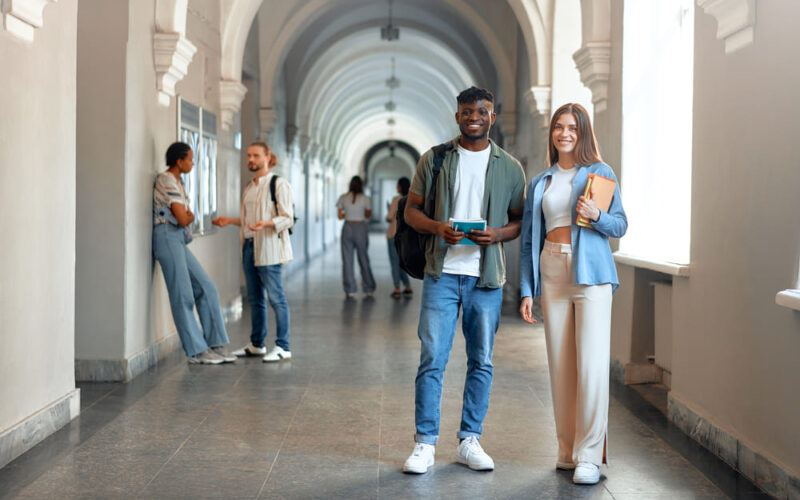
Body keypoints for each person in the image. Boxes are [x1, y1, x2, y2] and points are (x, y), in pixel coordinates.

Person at [402, 87, 526, 474]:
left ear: (493, 117)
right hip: (441, 273)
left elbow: (519, 220)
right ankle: (425, 443)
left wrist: (498, 234)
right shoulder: (435, 159)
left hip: (485, 279)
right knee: (432, 359)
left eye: (482, 111)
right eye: (468, 111)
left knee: (481, 361)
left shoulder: (510, 168)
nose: (475, 117)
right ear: (457, 116)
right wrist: (438, 227)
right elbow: (410, 211)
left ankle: (469, 440)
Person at [519, 103, 627, 485]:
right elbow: (529, 240)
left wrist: (597, 216)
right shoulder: (540, 182)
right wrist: (527, 289)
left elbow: (620, 225)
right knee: (561, 365)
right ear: (552, 133)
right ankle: (567, 451)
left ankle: (590, 456)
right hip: (552, 269)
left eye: (572, 128)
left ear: (582, 133)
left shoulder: (599, 173)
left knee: (591, 366)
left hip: (591, 274)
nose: (564, 133)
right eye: (558, 127)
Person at [152, 142, 235, 365]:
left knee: (206, 287)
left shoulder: (179, 182)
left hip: (178, 238)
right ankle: (196, 351)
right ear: (179, 161)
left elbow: (187, 215)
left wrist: (187, 216)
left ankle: (216, 344)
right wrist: (188, 217)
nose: (193, 163)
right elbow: (183, 218)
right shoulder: (167, 180)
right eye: (190, 159)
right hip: (167, 237)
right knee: (183, 294)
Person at [212, 143, 294, 363]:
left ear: (267, 157)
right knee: (255, 298)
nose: (251, 159)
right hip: (249, 246)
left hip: (269, 247)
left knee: (276, 298)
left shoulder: (278, 184)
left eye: (256, 156)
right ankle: (257, 344)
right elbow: (249, 221)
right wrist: (230, 221)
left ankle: (283, 346)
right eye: (249, 155)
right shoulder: (250, 187)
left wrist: (267, 223)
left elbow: (288, 218)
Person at [337, 176, 376, 299]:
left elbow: (340, 216)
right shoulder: (366, 198)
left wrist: (349, 213)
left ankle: (350, 289)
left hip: (347, 227)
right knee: (363, 258)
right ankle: (368, 288)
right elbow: (368, 214)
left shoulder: (343, 198)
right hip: (360, 227)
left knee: (347, 260)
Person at [385, 177, 413, 298]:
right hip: (406, 236)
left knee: (394, 262)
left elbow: (389, 217)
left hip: (394, 234)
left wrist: (389, 210)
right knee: (402, 262)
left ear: (400, 186)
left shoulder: (396, 199)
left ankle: (397, 288)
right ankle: (407, 286)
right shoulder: (412, 199)